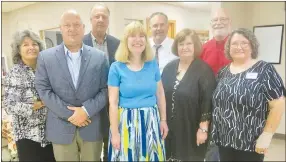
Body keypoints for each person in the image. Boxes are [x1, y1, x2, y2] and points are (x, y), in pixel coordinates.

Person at [35, 9, 108, 161]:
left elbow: (106, 89)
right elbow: (43, 90)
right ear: (60, 28)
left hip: (92, 126)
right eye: (67, 25)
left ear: (83, 28)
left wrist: (86, 110)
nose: (72, 29)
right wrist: (72, 114)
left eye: (76, 25)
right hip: (60, 128)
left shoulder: (99, 57)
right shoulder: (45, 58)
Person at [211, 28, 286, 161]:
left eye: (244, 43)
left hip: (251, 143)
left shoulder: (264, 69)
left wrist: (267, 135)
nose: (239, 47)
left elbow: (278, 104)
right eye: (234, 44)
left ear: (252, 46)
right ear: (228, 48)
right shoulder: (223, 72)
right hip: (224, 139)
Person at [108, 21, 168, 161]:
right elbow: (113, 103)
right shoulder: (116, 68)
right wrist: (115, 132)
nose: (138, 40)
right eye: (132, 36)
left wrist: (163, 120)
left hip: (151, 122)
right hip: (125, 123)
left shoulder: (152, 64)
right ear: (125, 41)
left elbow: (160, 93)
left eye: (142, 36)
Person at [161, 28, 216, 161]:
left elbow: (207, 102)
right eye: (181, 44)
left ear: (195, 46)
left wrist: (203, 129)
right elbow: (161, 94)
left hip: (191, 128)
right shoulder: (169, 68)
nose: (184, 47)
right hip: (169, 127)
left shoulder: (204, 70)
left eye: (188, 44)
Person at [3, 30, 55, 162]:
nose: (31, 47)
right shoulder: (14, 73)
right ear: (18, 50)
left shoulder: (47, 69)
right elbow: (10, 105)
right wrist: (38, 104)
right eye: (25, 45)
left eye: (34, 44)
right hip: (28, 138)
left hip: (52, 133)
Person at [83, 3, 120, 161]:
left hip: (113, 102)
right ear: (91, 20)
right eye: (96, 16)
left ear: (108, 21)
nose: (100, 19)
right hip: (89, 102)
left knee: (112, 142)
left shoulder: (117, 44)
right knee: (91, 147)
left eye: (104, 16)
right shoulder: (80, 43)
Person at [200, 8, 231, 75]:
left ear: (229, 22)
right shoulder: (203, 49)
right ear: (211, 24)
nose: (218, 23)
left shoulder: (237, 47)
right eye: (215, 20)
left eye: (223, 19)